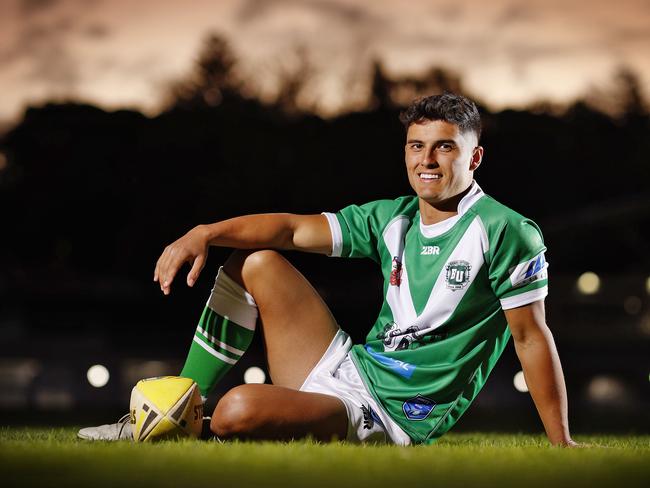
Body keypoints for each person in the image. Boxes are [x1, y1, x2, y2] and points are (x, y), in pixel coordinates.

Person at [79, 93, 577, 446]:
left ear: (476, 156)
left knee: (237, 411)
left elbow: (531, 338)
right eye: (416, 146)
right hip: (349, 367)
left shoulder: (507, 229)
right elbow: (292, 231)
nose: (427, 160)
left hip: (391, 414)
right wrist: (205, 231)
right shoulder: (393, 216)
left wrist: (561, 444)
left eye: (445, 146)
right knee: (256, 263)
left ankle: (188, 423)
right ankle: (178, 406)